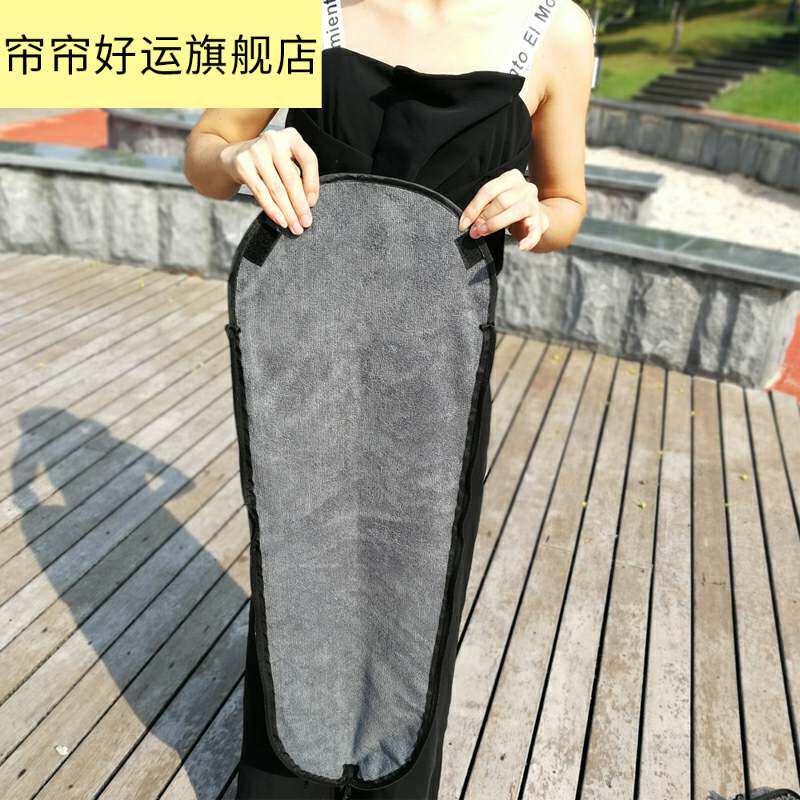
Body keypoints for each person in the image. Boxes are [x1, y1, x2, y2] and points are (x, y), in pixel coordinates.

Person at [184, 1, 594, 797]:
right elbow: (203, 152)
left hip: (436, 376)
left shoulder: (556, 30)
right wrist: (238, 154)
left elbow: (567, 202)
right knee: (297, 556)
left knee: (418, 582)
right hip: (303, 361)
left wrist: (537, 215)